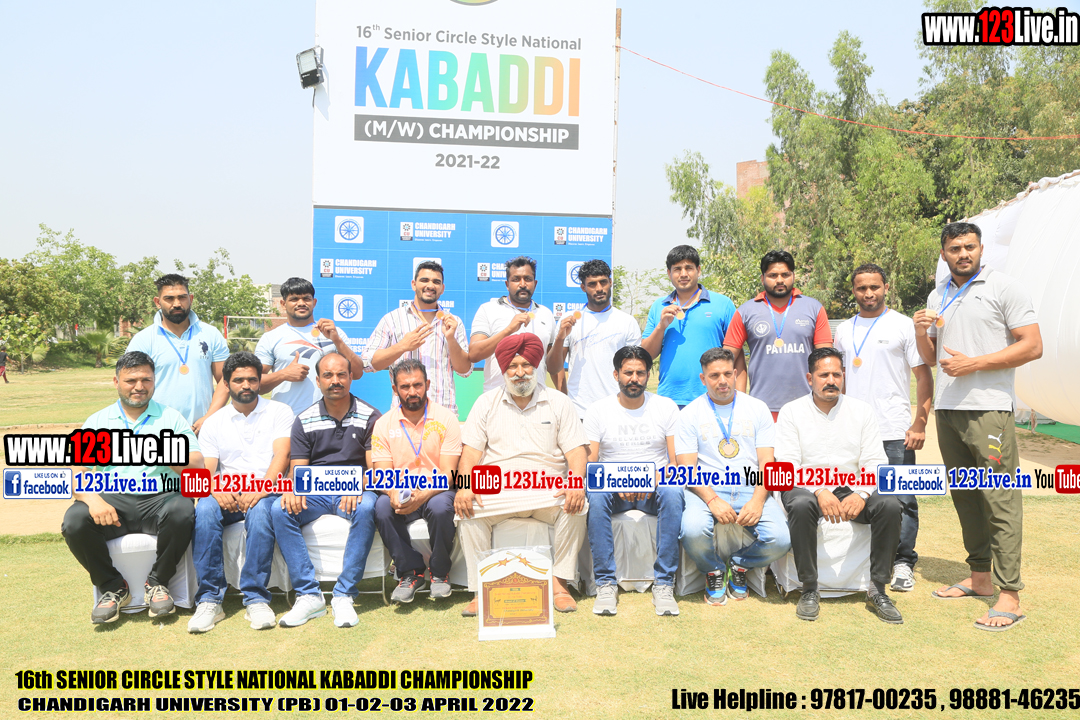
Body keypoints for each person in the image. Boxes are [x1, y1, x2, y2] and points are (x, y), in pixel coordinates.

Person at [914, 222, 1042, 631]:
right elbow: (931, 358)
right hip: (949, 410)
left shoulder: (1004, 287)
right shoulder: (938, 294)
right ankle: (980, 577)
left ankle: (1010, 595)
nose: (963, 253)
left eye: (970, 246)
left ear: (981, 249)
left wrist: (975, 364)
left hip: (989, 410)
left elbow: (1033, 345)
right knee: (966, 497)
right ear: (944, 253)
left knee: (1000, 500)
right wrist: (920, 332)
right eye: (955, 248)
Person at [61, 351, 204, 623]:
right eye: (131, 380)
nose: (139, 386)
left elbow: (197, 464)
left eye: (146, 380)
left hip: (160, 498)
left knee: (183, 508)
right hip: (113, 501)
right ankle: (113, 586)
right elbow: (76, 474)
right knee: (75, 520)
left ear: (154, 381)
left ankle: (158, 583)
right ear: (116, 382)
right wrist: (93, 501)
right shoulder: (98, 421)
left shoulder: (171, 418)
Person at [455, 333, 589, 616]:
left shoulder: (559, 402)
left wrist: (575, 482)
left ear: (536, 367)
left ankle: (559, 585)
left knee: (577, 505)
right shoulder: (486, 403)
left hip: (547, 490)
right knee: (467, 511)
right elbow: (470, 454)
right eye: (513, 366)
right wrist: (465, 486)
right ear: (504, 370)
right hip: (499, 491)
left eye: (526, 365)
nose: (520, 373)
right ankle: (480, 590)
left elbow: (577, 451)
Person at [775, 347, 901, 624]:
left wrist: (862, 493)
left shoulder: (861, 411)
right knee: (800, 504)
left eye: (836, 374)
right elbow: (787, 463)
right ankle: (809, 588)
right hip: (805, 485)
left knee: (890, 504)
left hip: (851, 485)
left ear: (843, 376)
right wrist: (820, 490)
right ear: (810, 378)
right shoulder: (791, 411)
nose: (831, 381)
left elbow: (875, 460)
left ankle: (878, 589)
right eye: (824, 375)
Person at [834, 263, 934, 593]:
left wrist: (919, 422)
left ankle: (903, 562)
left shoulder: (904, 326)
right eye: (862, 288)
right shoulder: (843, 330)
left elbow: (923, 376)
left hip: (894, 430)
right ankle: (871, 559)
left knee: (902, 499)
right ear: (854, 290)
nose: (868, 293)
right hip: (854, 431)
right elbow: (839, 380)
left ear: (886, 288)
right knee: (859, 495)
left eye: (874, 287)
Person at [271, 351, 381, 629]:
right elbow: (298, 469)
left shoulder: (370, 416)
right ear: (318, 380)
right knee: (279, 509)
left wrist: (356, 486)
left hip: (356, 490)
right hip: (316, 491)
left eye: (341, 374)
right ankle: (309, 595)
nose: (335, 381)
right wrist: (293, 489)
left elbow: (375, 470)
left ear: (351, 377)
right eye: (328, 375)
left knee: (368, 506)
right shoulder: (304, 419)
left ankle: (344, 594)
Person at [188, 352, 293, 633]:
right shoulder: (214, 422)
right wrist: (215, 488)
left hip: (267, 489)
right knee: (205, 509)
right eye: (238, 380)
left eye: (252, 379)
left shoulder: (279, 411)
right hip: (228, 492)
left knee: (260, 511)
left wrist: (261, 488)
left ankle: (256, 598)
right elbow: (208, 469)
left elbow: (282, 455)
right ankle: (210, 600)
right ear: (226, 383)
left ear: (259, 381)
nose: (246, 385)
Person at [677, 348, 790, 606]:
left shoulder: (757, 408)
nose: (723, 381)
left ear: (736, 373)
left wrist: (758, 501)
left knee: (780, 539)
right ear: (703, 379)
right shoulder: (690, 414)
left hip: (750, 486)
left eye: (728, 374)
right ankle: (714, 570)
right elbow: (687, 468)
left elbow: (767, 462)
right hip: (706, 488)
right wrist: (712, 499)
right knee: (692, 531)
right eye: (714, 375)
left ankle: (739, 564)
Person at [583, 346, 682, 616]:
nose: (634, 379)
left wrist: (646, 480)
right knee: (596, 494)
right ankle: (605, 583)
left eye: (640, 373)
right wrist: (620, 481)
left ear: (648, 375)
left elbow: (676, 462)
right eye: (628, 373)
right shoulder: (598, 410)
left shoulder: (665, 407)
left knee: (673, 492)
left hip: (655, 487)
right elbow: (591, 464)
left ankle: (664, 583)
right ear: (616, 374)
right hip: (614, 490)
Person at [370, 359, 461, 603]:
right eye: (405, 386)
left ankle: (439, 574)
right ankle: (410, 573)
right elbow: (382, 474)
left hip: (437, 490)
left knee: (440, 507)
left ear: (427, 384)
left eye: (417, 385)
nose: (412, 392)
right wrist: (393, 493)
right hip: (401, 489)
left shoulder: (446, 419)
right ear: (395, 389)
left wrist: (423, 494)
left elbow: (449, 473)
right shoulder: (383, 424)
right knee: (382, 507)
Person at [723, 250, 832, 420]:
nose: (780, 280)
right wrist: (736, 402)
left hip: (807, 406)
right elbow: (727, 359)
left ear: (793, 276)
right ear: (762, 278)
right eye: (773, 275)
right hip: (761, 408)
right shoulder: (745, 311)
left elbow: (826, 360)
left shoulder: (814, 308)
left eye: (785, 274)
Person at [362, 262, 471, 414]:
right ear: (414, 284)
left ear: (442, 288)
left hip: (443, 413)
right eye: (424, 280)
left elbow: (465, 371)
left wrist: (451, 339)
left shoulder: (453, 322)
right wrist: (402, 346)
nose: (430, 286)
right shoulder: (392, 320)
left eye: (436, 282)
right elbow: (368, 364)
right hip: (403, 413)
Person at [126, 274, 229, 432]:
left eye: (182, 297)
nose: (177, 304)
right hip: (157, 430)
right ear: (157, 302)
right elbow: (132, 386)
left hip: (202, 429)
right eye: (169, 298)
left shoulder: (211, 334)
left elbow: (225, 380)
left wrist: (208, 418)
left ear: (191, 299)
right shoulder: (143, 340)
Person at [641, 245, 735, 408]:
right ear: (669, 273)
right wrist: (661, 327)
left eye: (689, 268)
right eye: (677, 269)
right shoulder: (658, 306)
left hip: (712, 396)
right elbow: (646, 355)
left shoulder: (723, 304)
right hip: (669, 399)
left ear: (698, 270)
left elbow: (735, 353)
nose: (683, 274)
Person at [255, 277, 365, 417]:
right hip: (288, 419)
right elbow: (255, 384)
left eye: (306, 298)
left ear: (314, 302)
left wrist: (337, 341)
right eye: (294, 299)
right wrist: (283, 374)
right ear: (283, 304)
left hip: (330, 419)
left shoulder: (334, 333)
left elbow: (357, 373)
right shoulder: (271, 338)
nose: (301, 303)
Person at [547, 259, 641, 418]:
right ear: (583, 287)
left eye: (603, 282)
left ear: (610, 282)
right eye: (592, 284)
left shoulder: (627, 322)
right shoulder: (569, 320)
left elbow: (635, 369)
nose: (599, 288)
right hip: (579, 410)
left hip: (617, 410)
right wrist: (560, 338)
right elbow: (552, 368)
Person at [469, 256, 558, 392]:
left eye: (527, 279)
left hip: (537, 397)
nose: (522, 284)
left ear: (535, 283)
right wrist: (508, 330)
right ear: (507, 284)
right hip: (498, 396)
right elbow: (474, 354)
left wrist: (564, 395)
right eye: (516, 279)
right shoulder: (488, 309)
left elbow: (553, 365)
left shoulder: (546, 313)